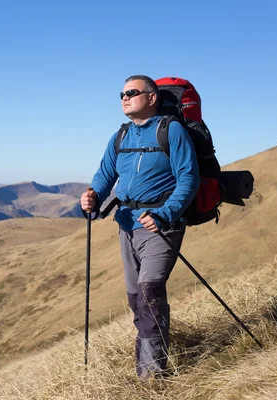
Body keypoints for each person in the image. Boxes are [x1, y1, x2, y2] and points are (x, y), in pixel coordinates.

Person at [80, 75, 200, 379]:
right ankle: (148, 361)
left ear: (151, 98)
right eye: (122, 93)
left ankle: (152, 376)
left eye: (132, 92)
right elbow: (105, 175)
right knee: (136, 297)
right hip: (127, 226)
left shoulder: (170, 131)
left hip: (162, 227)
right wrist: (92, 196)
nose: (125, 97)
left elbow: (189, 179)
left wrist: (165, 213)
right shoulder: (120, 136)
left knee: (149, 292)